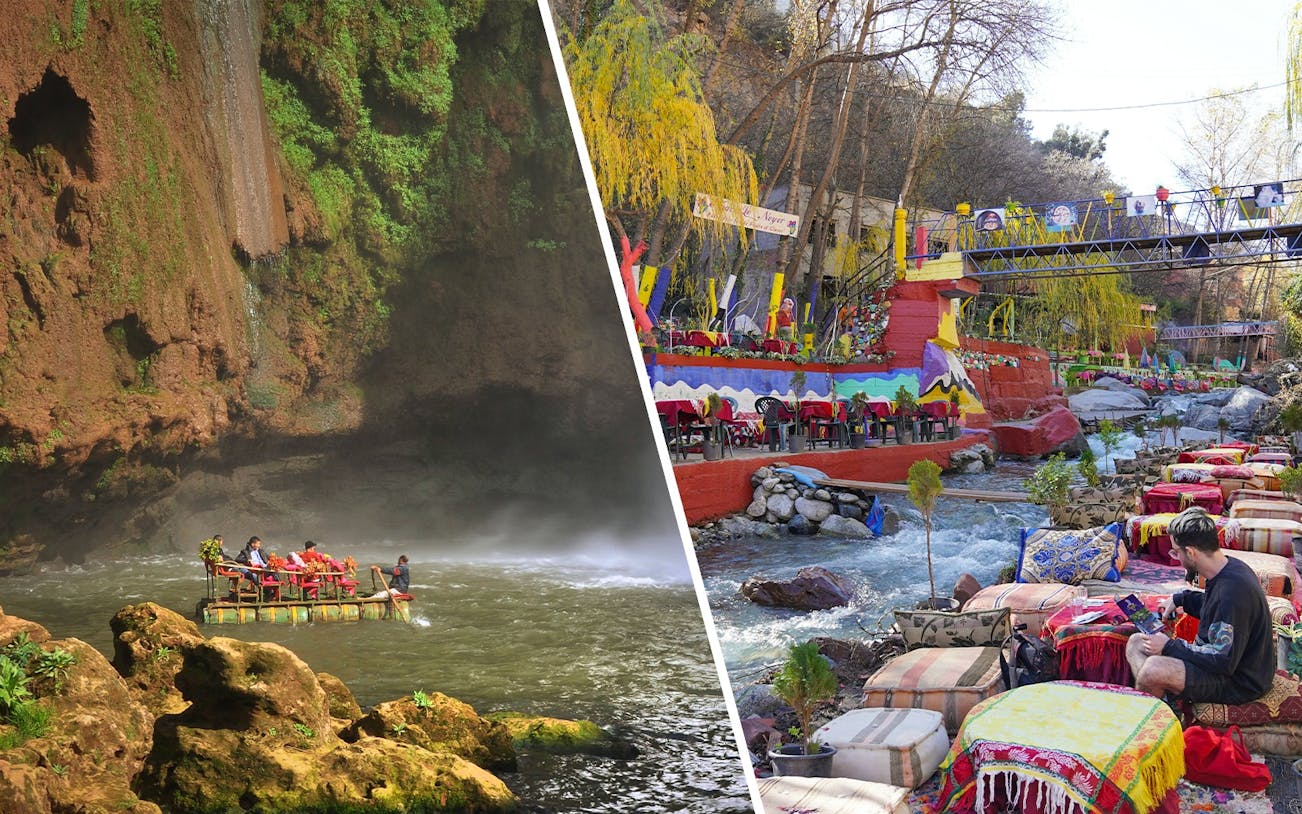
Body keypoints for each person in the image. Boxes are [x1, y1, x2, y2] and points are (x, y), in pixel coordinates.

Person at [1125, 507, 1275, 705]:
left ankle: (1157, 722)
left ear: (1190, 552)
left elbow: (1223, 660)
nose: (1175, 557)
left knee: (1153, 670)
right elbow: (1211, 606)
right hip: (1222, 662)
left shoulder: (1231, 593)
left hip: (1239, 681)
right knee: (1136, 642)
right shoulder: (1227, 568)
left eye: (1175, 552)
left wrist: (1169, 646)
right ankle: (1163, 703)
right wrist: (1180, 599)